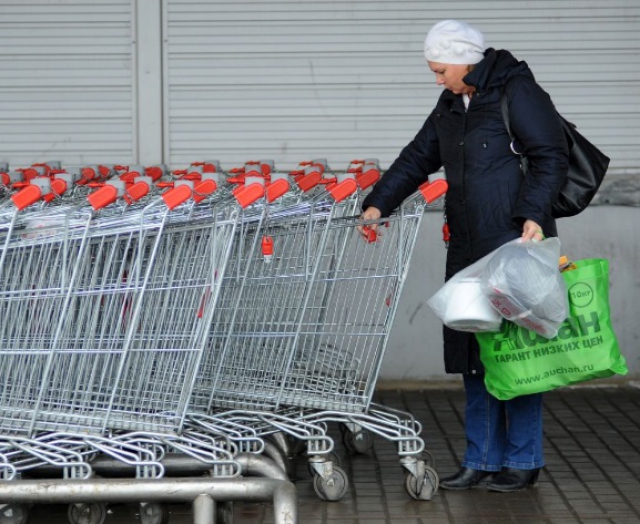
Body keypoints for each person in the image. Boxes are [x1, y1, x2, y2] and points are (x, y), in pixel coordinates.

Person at [358, 20, 569, 492]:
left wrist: (534, 214)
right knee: (474, 352)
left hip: (516, 242)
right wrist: (378, 202)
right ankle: (482, 458)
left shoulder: (518, 91)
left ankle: (523, 459)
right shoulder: (452, 101)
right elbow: (418, 155)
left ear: (463, 59)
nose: (437, 79)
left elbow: (551, 155)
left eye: (440, 70)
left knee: (517, 355)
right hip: (468, 245)